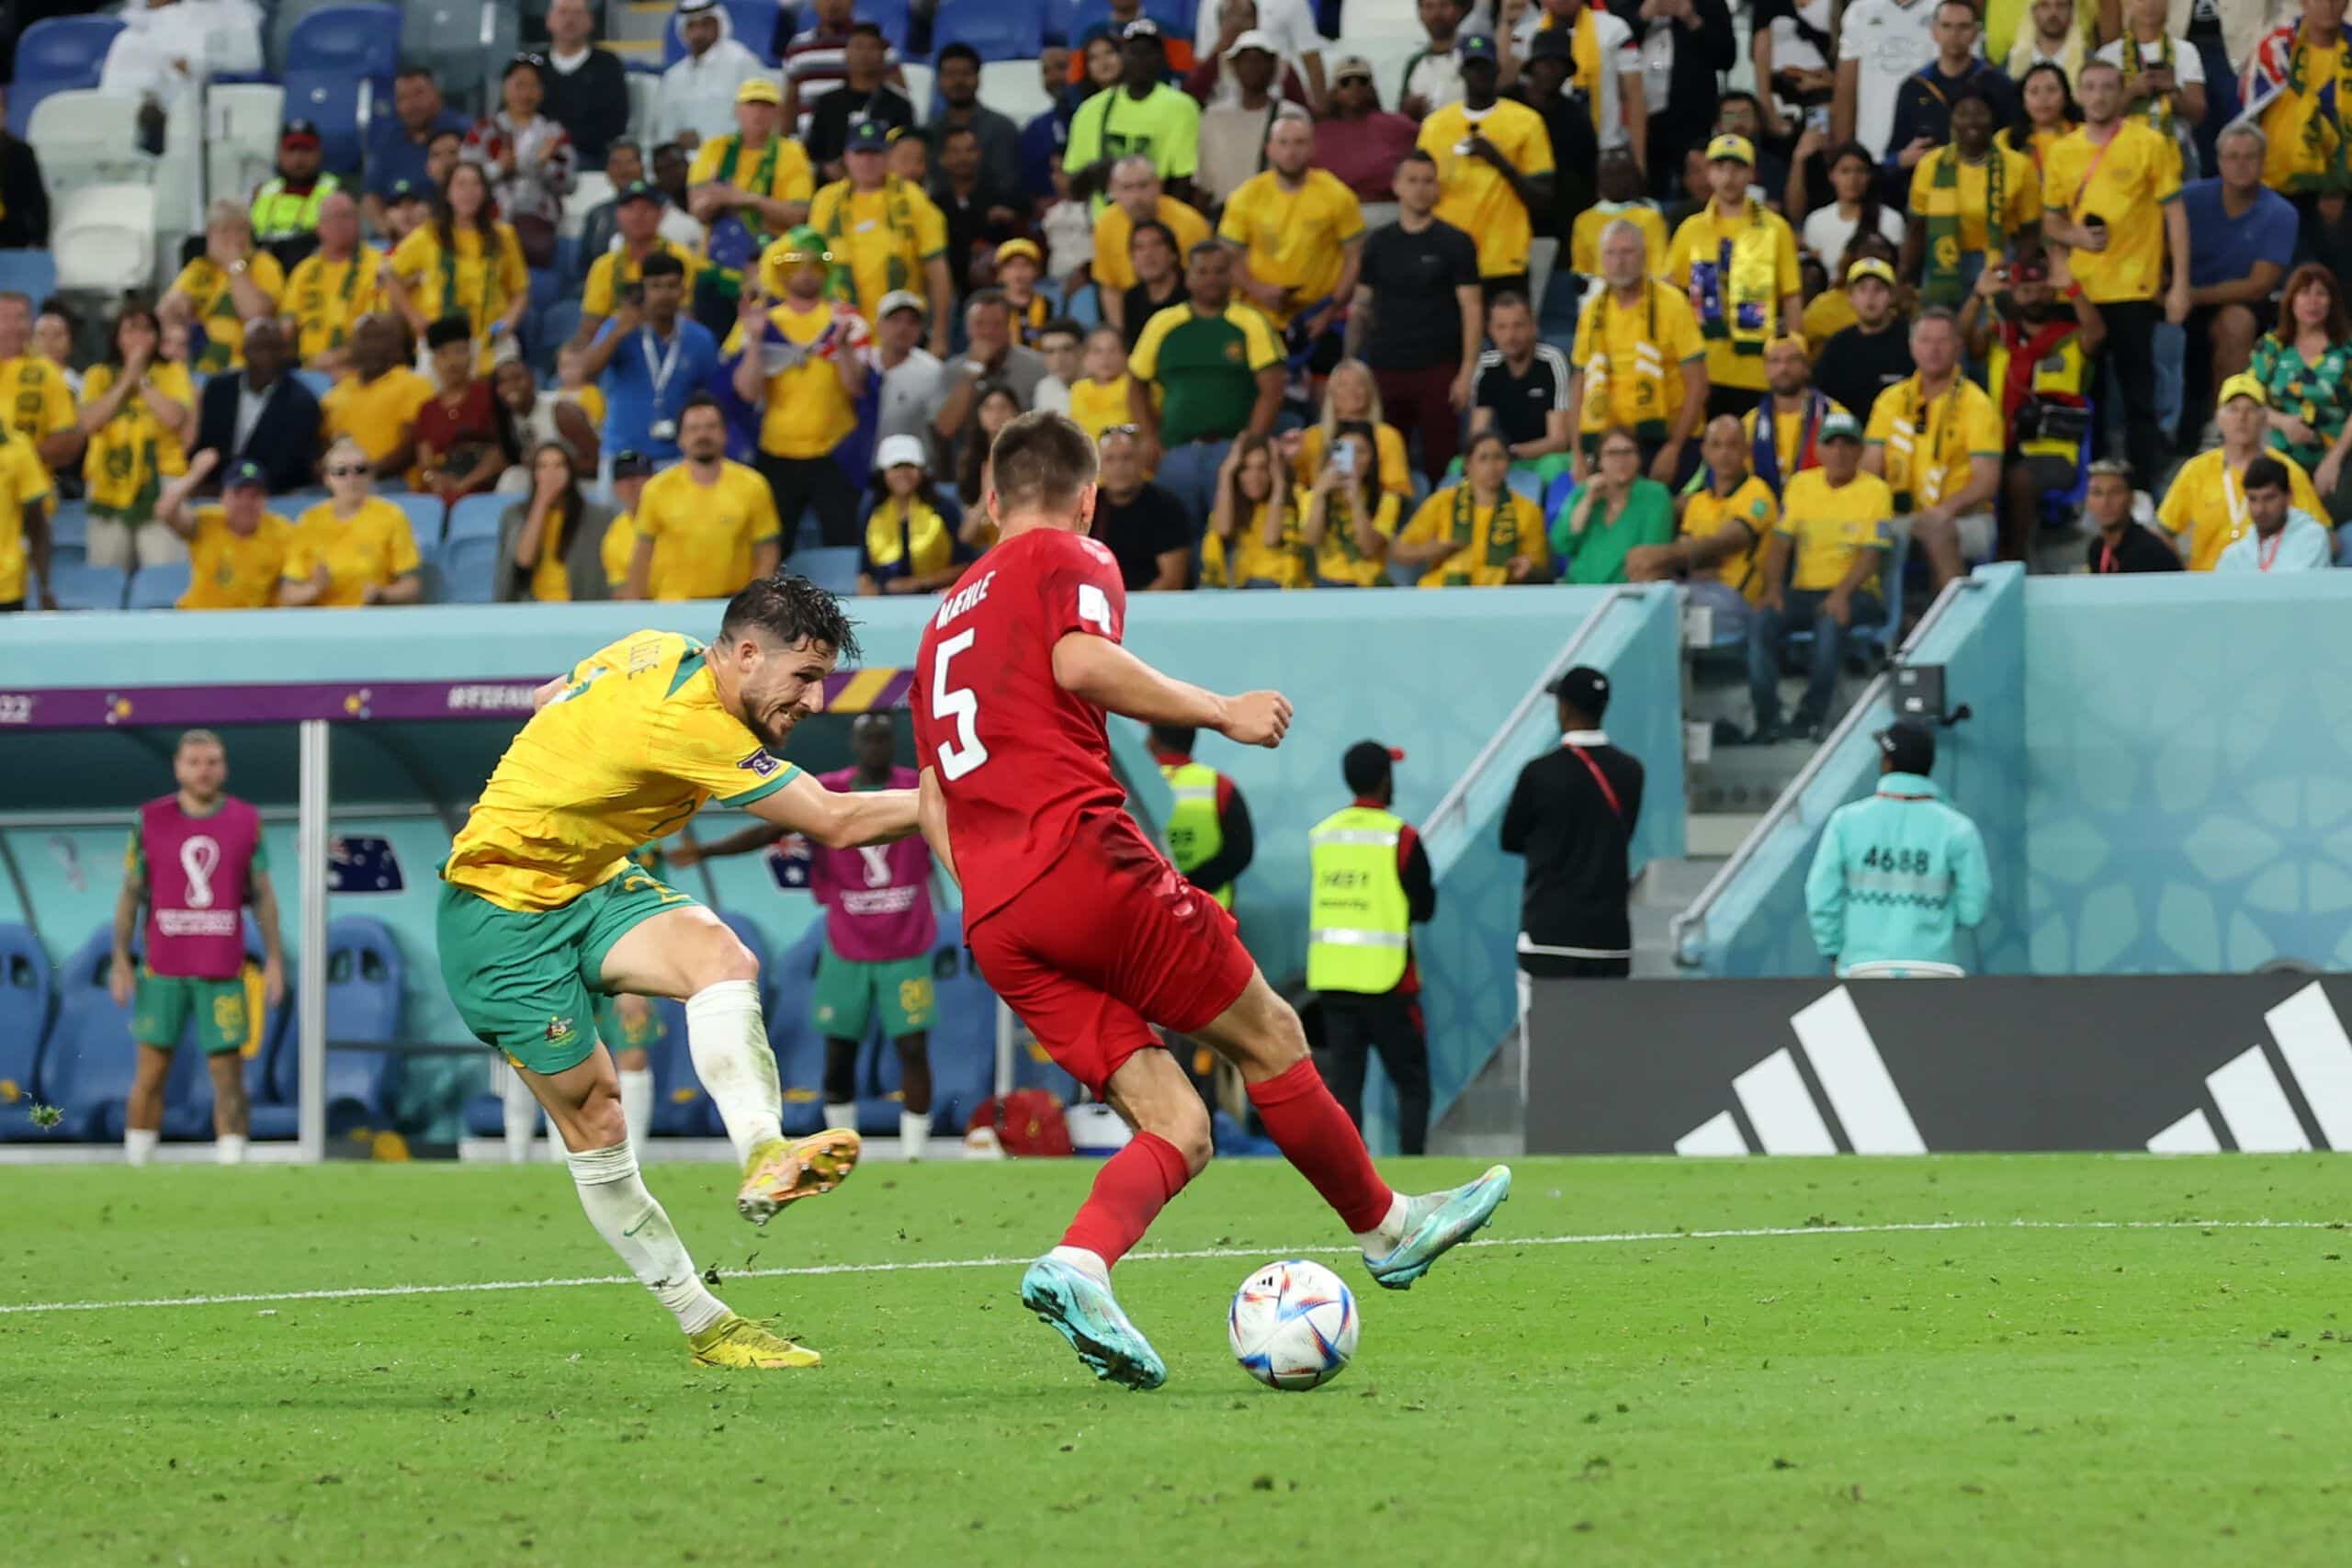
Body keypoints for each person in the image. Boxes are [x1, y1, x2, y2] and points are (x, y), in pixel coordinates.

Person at [909, 409, 1511, 1390]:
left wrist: (986, 892)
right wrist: (1219, 710)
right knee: (1269, 1035)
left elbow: (935, 799)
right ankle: (1387, 1228)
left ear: (987, 498)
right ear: (1089, 497)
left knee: (1178, 1128)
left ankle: (1078, 1265)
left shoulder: (940, 626)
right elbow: (1080, 662)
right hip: (1080, 863)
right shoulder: (1073, 555)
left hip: (997, 917)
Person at [439, 576, 920, 1364]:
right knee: (597, 1119)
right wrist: (949, 797)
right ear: (749, 654)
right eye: (804, 677)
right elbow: (836, 821)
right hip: (500, 919)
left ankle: (767, 1151)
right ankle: (704, 1322)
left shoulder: (656, 647)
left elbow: (547, 694)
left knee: (720, 956)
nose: (814, 698)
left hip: (588, 880)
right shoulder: (694, 724)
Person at [110, 729, 286, 1168]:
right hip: (162, 967)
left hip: (222, 966)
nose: (203, 771)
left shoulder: (246, 820)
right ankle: (137, 1161)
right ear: (177, 767)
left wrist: (276, 960)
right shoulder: (150, 819)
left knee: (228, 1073)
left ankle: (232, 1163)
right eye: (194, 762)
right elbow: (131, 892)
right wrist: (120, 959)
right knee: (151, 1070)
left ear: (224, 767)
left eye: (212, 762)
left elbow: (262, 894)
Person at [2042, 58, 2188, 495]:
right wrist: (2076, 238)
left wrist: (2179, 283)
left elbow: (2175, 215)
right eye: (2090, 86)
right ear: (2079, 94)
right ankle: (2089, 491)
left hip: (2134, 288)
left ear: (2120, 92)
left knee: (2139, 394)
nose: (2100, 95)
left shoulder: (2148, 142)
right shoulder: (2062, 151)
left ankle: (2143, 488)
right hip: (2080, 292)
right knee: (2087, 395)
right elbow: (2050, 221)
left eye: (2109, 86)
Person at [1305, 740, 1435, 1155]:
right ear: (1384, 779)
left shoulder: (1322, 836)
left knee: (1346, 1088)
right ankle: (1414, 1170)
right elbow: (1425, 906)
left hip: (1334, 979)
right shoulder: (1401, 837)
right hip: (1387, 979)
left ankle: (1352, 1179)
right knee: (1412, 1084)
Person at [1748, 411, 1894, 742]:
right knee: (1761, 620)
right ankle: (1766, 719)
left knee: (1829, 621)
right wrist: (1773, 589)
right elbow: (1780, 544)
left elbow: (1872, 556)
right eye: (1832, 444)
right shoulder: (1801, 485)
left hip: (1858, 592)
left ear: (1860, 451)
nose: (1840, 452)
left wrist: (1841, 594)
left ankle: (1810, 716)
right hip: (1805, 591)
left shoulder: (1876, 490)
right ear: (1820, 450)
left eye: (1848, 445)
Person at [1804, 720, 1990, 976]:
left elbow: (1821, 897)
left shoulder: (1845, 822)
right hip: (1936, 976)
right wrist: (1935, 916)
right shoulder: (1959, 828)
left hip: (1861, 973)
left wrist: (1833, 949)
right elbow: (1973, 910)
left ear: (1886, 762)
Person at [1500, 665, 1645, 983]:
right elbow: (1624, 833)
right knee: (1604, 1033)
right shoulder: (1632, 771)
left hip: (1549, 936)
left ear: (1564, 709)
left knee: (1547, 1032)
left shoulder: (1538, 772)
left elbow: (1509, 838)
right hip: (1610, 940)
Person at [727, 229, 870, 550]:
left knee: (843, 546)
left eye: (814, 264)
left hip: (833, 452)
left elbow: (857, 388)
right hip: (777, 452)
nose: (805, 273)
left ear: (826, 270)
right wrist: (754, 342)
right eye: (796, 265)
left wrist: (842, 347)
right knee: (775, 548)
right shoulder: (762, 320)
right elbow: (747, 394)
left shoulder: (845, 319)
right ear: (780, 271)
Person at [1127, 243, 1286, 525]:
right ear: (1188, 277)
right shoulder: (1163, 324)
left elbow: (1272, 390)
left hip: (1231, 452)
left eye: (1219, 271)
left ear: (1231, 276)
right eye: (1203, 272)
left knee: (1233, 532)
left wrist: (1248, 448)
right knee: (1177, 535)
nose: (1211, 279)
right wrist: (1151, 438)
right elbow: (1136, 384)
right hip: (1176, 451)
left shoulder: (1251, 322)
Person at [1347, 152, 1482, 483]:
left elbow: (1473, 308)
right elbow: (1361, 306)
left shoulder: (1456, 243)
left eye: (1428, 181)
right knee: (1381, 461)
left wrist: (1466, 372)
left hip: (1438, 368)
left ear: (1437, 188)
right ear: (1396, 187)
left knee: (1443, 463)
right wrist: (1349, 363)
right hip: (1385, 366)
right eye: (1412, 180)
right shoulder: (1378, 243)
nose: (1420, 189)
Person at [1963, 253, 2101, 558]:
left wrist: (2073, 289)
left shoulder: (2071, 338)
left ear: (2053, 293)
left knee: (2019, 478)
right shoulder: (1999, 337)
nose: (2035, 297)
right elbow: (1960, 342)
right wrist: (1976, 296)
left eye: (2041, 290)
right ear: (2012, 294)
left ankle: (2012, 559)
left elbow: (2097, 334)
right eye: (2026, 291)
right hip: (1999, 446)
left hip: (2056, 453)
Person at [1667, 134, 1804, 422]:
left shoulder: (1775, 229)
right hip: (1704, 366)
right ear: (1708, 173)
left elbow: (1791, 296)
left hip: (1757, 368)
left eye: (1738, 168)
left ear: (1752, 174)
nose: (1729, 177)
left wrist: (1794, 354)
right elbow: (1671, 294)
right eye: (1720, 167)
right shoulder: (1690, 230)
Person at [1862, 308, 2001, 590]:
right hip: (1899, 517)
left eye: (1942, 342)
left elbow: (1987, 481)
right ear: (1912, 347)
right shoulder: (1890, 400)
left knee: (1935, 528)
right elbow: (1870, 469)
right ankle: (1877, 622)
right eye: (1925, 341)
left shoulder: (1977, 403)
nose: (1933, 350)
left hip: (1965, 519)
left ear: (1958, 348)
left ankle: (1951, 621)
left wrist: (1944, 511)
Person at [1567, 219, 1709, 485]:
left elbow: (1698, 384)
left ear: (1644, 257)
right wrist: (1577, 453)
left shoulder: (1672, 303)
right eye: (1611, 253)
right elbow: (1579, 385)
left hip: (1667, 439)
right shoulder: (1591, 311)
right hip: (1610, 444)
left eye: (1627, 252)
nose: (1619, 261)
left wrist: (1673, 449)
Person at [1416, 36, 1556, 301]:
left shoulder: (1527, 122)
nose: (1478, 74)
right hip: (1448, 260)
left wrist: (1500, 162)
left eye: (1485, 67)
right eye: (1472, 66)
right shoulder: (1434, 125)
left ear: (1497, 70)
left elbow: (1543, 199)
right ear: (1461, 71)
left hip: (1504, 259)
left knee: (1509, 341)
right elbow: (1420, 192)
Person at [1219, 112, 1366, 360]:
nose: (1291, 151)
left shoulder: (1338, 195)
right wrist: (1257, 289)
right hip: (1257, 314)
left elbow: (1355, 257)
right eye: (1283, 143)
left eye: (1299, 143)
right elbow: (1226, 256)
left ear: (1312, 148)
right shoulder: (1246, 196)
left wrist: (1330, 311)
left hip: (1319, 316)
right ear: (1270, 149)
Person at [1625, 414, 1777, 640]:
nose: (1724, 453)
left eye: (1733, 445)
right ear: (1704, 451)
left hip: (1735, 599)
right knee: (1646, 581)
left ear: (1746, 450)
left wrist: (1663, 555)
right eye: (1716, 445)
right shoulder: (1698, 501)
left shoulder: (1758, 493)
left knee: (1655, 607)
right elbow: (1691, 553)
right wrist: (1682, 559)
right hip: (1696, 588)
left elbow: (1725, 543)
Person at [2157, 373, 2327, 569]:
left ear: (2264, 419)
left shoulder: (2287, 470)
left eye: (2251, 410)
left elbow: (2323, 534)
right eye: (2232, 410)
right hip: (2207, 585)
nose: (2241, 418)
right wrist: (2183, 573)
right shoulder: (2195, 470)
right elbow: (2163, 532)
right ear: (2218, 418)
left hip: (2267, 584)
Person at [808, 119, 954, 346]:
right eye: (860, 153)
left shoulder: (912, 198)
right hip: (841, 332)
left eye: (875, 154)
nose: (867, 161)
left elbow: (937, 270)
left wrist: (940, 335)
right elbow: (815, 262)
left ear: (887, 157)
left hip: (900, 335)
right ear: (847, 157)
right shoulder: (826, 200)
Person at [2184, 125, 2299, 412]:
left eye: (2250, 157)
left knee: (2236, 322)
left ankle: (2224, 421)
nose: (2241, 164)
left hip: (2244, 303)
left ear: (2263, 161)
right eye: (2232, 156)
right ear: (2219, 160)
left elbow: (2258, 285)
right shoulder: (2187, 199)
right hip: (2180, 293)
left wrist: (2191, 296)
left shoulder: (2280, 212)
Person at [624, 394, 783, 599]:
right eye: (693, 429)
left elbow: (767, 552)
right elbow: (642, 554)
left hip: (732, 604)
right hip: (672, 605)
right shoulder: (657, 489)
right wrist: (634, 608)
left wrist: (754, 604)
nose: (702, 435)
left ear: (725, 433)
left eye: (711, 427)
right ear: (680, 439)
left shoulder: (753, 485)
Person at [79, 301, 197, 571]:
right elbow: (89, 422)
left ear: (157, 337)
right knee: (106, 572)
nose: (139, 338)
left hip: (161, 483)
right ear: (117, 337)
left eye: (147, 330)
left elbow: (174, 418)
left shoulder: (173, 372)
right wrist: (125, 381)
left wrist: (141, 379)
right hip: (109, 482)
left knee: (163, 570)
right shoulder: (97, 375)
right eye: (131, 330)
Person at [382, 161, 531, 372]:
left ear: (485, 192)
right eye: (460, 185)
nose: (468, 192)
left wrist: (509, 321)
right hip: (440, 343)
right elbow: (390, 274)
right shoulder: (429, 235)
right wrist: (415, 318)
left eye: (475, 184)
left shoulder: (504, 236)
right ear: (447, 193)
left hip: (491, 341)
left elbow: (520, 290)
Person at [574, 250, 718, 467]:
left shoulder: (700, 338)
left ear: (683, 291)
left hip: (678, 455)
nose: (664, 294)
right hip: (623, 452)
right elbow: (585, 373)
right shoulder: (618, 328)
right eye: (656, 286)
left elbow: (711, 396)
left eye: (671, 286)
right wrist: (618, 333)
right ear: (643, 290)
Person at [1905, 90, 2042, 310]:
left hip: (1998, 261)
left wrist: (2016, 272)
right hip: (1943, 261)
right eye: (1963, 114)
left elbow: (2030, 231)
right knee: (1942, 332)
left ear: (1992, 119)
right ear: (1951, 121)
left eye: (1980, 113)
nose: (1971, 120)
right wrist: (1904, 276)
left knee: (1988, 333)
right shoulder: (1930, 165)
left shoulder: (2019, 166)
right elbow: (1917, 228)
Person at [690, 79, 818, 315]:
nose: (758, 113)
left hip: (771, 271)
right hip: (715, 270)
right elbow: (698, 209)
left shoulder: (791, 152)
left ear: (778, 113)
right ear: (737, 110)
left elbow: (798, 215)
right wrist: (762, 203)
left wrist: (746, 199)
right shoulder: (715, 148)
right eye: (751, 105)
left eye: (766, 106)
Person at [1882, 1, 2021, 185]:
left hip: (1986, 186)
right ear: (1934, 31)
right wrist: (1906, 158)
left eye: (1963, 27)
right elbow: (1892, 157)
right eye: (1946, 26)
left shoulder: (1998, 84)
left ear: (1975, 33)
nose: (1954, 35)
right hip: (1929, 190)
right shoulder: (1914, 87)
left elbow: (2015, 145)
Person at [1067, 21, 1204, 205]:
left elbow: (1183, 181)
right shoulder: (1091, 110)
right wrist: (1095, 171)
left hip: (1158, 223)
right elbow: (1074, 187)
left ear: (1162, 58)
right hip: (1104, 224)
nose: (1140, 59)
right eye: (1133, 52)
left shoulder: (1181, 107)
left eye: (1148, 52)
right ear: (1122, 56)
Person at [1393, 429, 1550, 585]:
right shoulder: (1442, 501)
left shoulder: (1528, 510)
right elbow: (1400, 551)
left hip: (1498, 599)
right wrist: (1431, 550)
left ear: (1508, 463)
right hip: (1441, 595)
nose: (1492, 466)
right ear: (1468, 465)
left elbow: (1541, 570)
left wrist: (1527, 570)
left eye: (1499, 457)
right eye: (1483, 459)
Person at [278, 438, 424, 606]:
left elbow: (412, 586)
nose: (351, 478)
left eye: (360, 470)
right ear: (327, 478)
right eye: (341, 472)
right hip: (323, 622)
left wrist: (383, 595)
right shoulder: (309, 520)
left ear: (370, 475)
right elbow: (288, 594)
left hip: (372, 618)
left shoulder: (392, 515)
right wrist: (313, 589)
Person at [465, 54, 578, 271]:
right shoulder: (483, 131)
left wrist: (545, 165)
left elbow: (570, 184)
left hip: (537, 230)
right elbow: (464, 177)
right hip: (489, 226)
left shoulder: (554, 134)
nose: (526, 93)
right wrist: (497, 168)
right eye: (519, 85)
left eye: (533, 86)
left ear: (542, 91)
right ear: (505, 87)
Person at [2254, 264, 2352, 511]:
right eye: (2305, 293)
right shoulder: (2271, 347)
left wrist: (2334, 459)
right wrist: (2283, 422)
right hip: (2280, 456)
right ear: (2291, 300)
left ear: (2332, 302)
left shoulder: (2346, 350)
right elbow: (2248, 400)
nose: (2313, 301)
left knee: (2334, 513)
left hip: (2338, 455)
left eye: (2321, 293)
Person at [190, 318, 319, 497]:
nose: (266, 355)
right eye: (258, 348)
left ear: (284, 352)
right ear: (243, 351)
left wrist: (239, 491)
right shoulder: (218, 389)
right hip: (213, 486)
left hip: (272, 494)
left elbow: (291, 466)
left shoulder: (302, 402)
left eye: (274, 348)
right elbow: (204, 444)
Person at [2240, 0, 2352, 197]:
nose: (2328, 5)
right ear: (2303, 2)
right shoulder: (2274, 51)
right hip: (2279, 188)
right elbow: (2246, 123)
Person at [161, 201, 286, 378]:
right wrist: (177, 313)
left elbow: (255, 313)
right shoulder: (199, 267)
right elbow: (166, 310)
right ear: (210, 235)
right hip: (197, 365)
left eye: (241, 230)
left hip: (243, 367)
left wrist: (234, 264)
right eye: (225, 230)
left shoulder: (264, 264)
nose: (235, 238)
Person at [154, 453, 293, 608]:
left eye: (254, 496)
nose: (246, 503)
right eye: (238, 494)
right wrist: (195, 474)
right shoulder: (206, 521)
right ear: (223, 497)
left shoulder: (281, 531)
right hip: (198, 620)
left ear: (265, 500)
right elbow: (165, 511)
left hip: (251, 625)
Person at [1471, 292, 1575, 498]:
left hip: (1545, 456)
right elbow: (1477, 435)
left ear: (1533, 326)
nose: (1510, 336)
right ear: (1490, 331)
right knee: (1457, 466)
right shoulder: (1486, 366)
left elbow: (1559, 440)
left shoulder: (1552, 362)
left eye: (1518, 325)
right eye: (1502, 327)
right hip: (1503, 456)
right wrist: (1495, 456)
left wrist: (1511, 453)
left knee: (1554, 467)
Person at [1150, 723, 1255, 922]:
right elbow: (1240, 852)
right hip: (1213, 921)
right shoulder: (1219, 786)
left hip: (1149, 920)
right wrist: (1191, 885)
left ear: (1153, 739)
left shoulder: (1129, 786)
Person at [1093, 159, 1212, 334]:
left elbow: (1206, 285)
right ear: (1113, 190)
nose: (1136, 197)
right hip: (1133, 311)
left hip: (1184, 311)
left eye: (1143, 186)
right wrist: (1121, 336)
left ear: (1158, 185)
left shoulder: (1191, 224)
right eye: (1127, 188)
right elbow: (1110, 287)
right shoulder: (1105, 225)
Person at [497, 439, 616, 602]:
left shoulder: (597, 518)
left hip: (582, 607)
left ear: (570, 472)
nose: (551, 473)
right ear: (534, 473)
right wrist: (542, 502)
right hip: (533, 609)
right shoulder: (515, 515)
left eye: (559, 466)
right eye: (543, 466)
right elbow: (523, 562)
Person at [1552, 426, 1676, 583]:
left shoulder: (1655, 495)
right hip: (1578, 589)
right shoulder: (1585, 491)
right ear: (1600, 461)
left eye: (1628, 452)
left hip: (1628, 592)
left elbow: (1650, 557)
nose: (1621, 460)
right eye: (1612, 453)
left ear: (1639, 459)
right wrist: (1587, 501)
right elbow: (1561, 544)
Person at [413, 317, 517, 503]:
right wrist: (433, 479)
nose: (452, 362)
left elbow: (502, 450)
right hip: (442, 487)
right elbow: (425, 462)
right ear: (434, 361)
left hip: (487, 484)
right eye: (443, 354)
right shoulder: (427, 409)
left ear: (471, 355)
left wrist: (465, 484)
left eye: (459, 351)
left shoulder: (490, 393)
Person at [277, 192, 380, 378]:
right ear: (319, 227)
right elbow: (287, 327)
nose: (340, 224)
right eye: (333, 218)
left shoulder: (378, 265)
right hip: (309, 372)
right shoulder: (303, 271)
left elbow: (382, 330)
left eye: (347, 216)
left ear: (358, 221)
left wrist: (339, 356)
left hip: (360, 370)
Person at [320, 313, 434, 480]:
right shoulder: (336, 393)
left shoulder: (413, 384)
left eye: (379, 338)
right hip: (342, 483)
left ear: (397, 347)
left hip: (393, 483)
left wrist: (364, 474)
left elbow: (411, 447)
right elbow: (324, 444)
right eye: (363, 338)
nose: (370, 346)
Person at [854, 433, 971, 594]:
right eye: (896, 467)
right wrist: (866, 591)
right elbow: (865, 570)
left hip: (936, 597)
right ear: (883, 473)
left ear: (922, 470)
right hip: (885, 601)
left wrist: (917, 583)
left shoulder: (943, 508)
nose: (903, 474)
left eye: (910, 466)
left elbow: (965, 564)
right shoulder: (872, 511)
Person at [933, 289, 1049, 452]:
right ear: (967, 329)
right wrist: (973, 368)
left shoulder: (1036, 367)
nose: (988, 333)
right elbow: (945, 428)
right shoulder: (951, 371)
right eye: (980, 324)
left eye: (996, 324)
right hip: (968, 464)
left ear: (1010, 327)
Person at [1814, 257, 1917, 434]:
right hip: (1849, 442)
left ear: (1891, 296)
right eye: (1862, 289)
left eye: (1878, 289)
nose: (1870, 297)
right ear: (1851, 297)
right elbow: (1821, 402)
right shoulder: (1837, 346)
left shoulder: (1913, 341)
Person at [1833, 0, 1943, 164]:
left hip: (1931, 151)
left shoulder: (1947, 9)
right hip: (1871, 155)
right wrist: (1842, 155)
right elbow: (1845, 91)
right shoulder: (1860, 10)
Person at [654, 0, 774, 149]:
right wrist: (676, 143)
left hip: (732, 156)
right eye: (691, 25)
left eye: (706, 24)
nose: (698, 32)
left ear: (720, 24)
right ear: (682, 30)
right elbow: (665, 130)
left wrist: (705, 140)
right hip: (683, 163)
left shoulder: (742, 62)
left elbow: (757, 120)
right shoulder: (673, 77)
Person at [365, 67, 470, 233]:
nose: (412, 105)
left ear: (437, 94)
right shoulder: (388, 141)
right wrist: (386, 228)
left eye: (419, 94)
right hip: (401, 236)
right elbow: (371, 195)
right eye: (403, 98)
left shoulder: (463, 131)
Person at [803, 22, 914, 176]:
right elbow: (812, 153)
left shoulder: (900, 105)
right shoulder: (827, 103)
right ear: (846, 55)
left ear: (883, 55)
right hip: (832, 189)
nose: (864, 53)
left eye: (872, 47)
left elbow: (907, 152)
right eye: (858, 46)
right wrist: (827, 169)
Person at [1742, 334, 1847, 499]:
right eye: (1775, 361)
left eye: (1792, 360)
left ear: (1806, 367)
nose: (1783, 368)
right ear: (1765, 368)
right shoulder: (1750, 423)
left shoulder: (1834, 416)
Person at [1089, 425, 1193, 590]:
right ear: (1099, 467)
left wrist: (1133, 611)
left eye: (1127, 458)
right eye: (1110, 459)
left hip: (1154, 606)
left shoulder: (1165, 506)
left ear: (1140, 461)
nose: (1119, 467)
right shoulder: (1088, 506)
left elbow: (1172, 580)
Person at [1300, 423, 1403, 586]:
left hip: (1368, 584)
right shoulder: (1313, 496)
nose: (1353, 458)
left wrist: (1356, 503)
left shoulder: (1388, 499)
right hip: (1327, 583)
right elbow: (1312, 540)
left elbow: (1368, 548)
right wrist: (1319, 496)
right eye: (1346, 451)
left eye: (1361, 451)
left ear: (1372, 459)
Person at [1193, 33, 1288, 209]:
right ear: (1234, 66)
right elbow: (1204, 181)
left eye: (1260, 60)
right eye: (1245, 60)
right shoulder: (1213, 117)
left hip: (1276, 216)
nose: (1252, 67)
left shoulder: (1291, 116)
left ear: (1273, 66)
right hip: (1224, 216)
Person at [931, 132, 1026, 304]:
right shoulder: (934, 204)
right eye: (955, 151)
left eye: (969, 150)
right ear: (942, 158)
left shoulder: (1002, 197)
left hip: (996, 289)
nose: (963, 158)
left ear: (979, 154)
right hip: (949, 288)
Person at [1314, 54, 1419, 207]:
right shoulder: (1317, 132)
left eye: (1362, 82)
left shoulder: (1397, 125)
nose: (1354, 88)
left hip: (1387, 211)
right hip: (1333, 214)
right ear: (1334, 92)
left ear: (1371, 88)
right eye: (1345, 82)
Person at [1297, 362, 1411, 499]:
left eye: (1360, 384)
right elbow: (1296, 488)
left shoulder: (1386, 436)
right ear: (1331, 392)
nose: (1352, 390)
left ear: (1370, 391)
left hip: (1373, 514)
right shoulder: (1312, 436)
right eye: (1343, 385)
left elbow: (1397, 492)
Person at [1203, 431, 1301, 588]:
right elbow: (1222, 530)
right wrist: (1225, 473)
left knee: (1262, 583)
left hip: (1279, 585)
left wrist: (1279, 484)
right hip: (1244, 585)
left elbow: (1271, 540)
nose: (1254, 476)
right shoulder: (1235, 502)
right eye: (1245, 469)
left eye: (1263, 468)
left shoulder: (1295, 497)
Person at [537, 0, 629, 165]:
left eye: (577, 13)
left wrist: (563, 142)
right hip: (536, 154)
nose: (569, 20)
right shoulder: (534, 65)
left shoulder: (608, 64)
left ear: (590, 21)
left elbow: (616, 122)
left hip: (591, 156)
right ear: (548, 20)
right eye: (562, 12)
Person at [0, 292, 81, 476]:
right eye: (4, 317)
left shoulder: (48, 373)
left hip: (30, 495)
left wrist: (20, 459)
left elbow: (67, 440)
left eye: (20, 317)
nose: (13, 326)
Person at [2214, 454, 2335, 570]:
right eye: (2252, 499)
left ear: (2288, 496)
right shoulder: (2235, 554)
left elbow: (2296, 588)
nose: (2260, 509)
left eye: (2269, 498)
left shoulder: (2312, 537)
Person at [248, 120, 340, 261]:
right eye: (292, 150)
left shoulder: (336, 192)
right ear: (280, 154)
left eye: (306, 150)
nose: (298, 158)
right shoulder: (264, 193)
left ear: (319, 153)